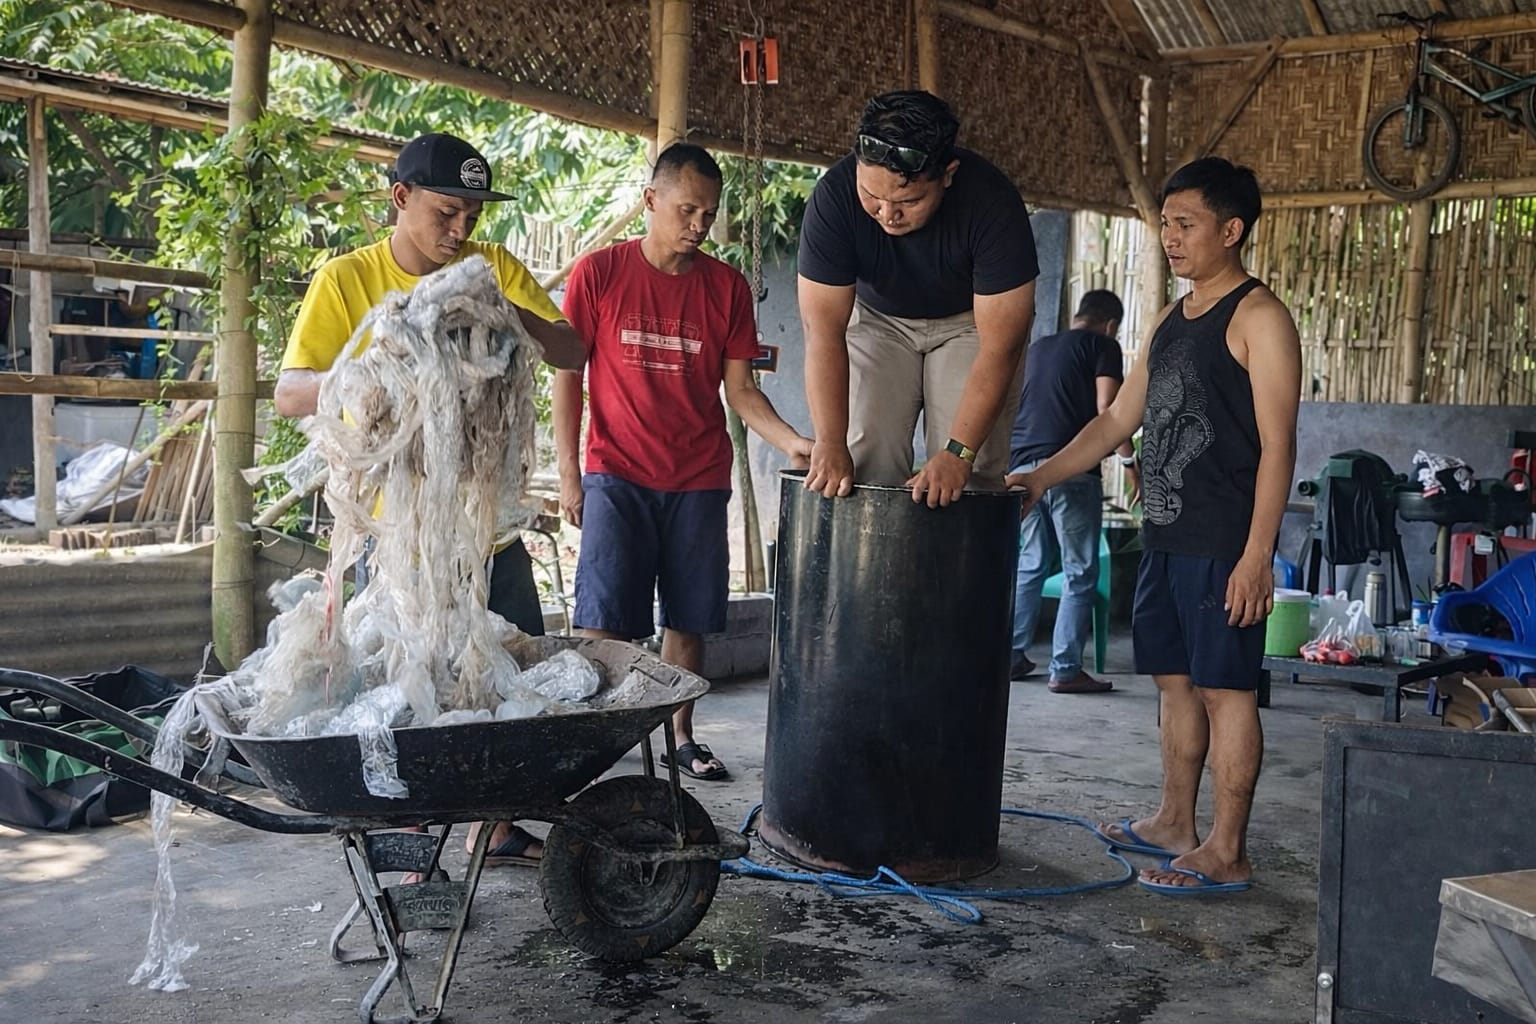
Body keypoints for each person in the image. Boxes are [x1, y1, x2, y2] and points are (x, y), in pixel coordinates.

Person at [275, 131, 586, 869]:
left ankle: (497, 826)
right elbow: (292, 392)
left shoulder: (491, 267)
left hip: (486, 530)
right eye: (447, 212)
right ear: (400, 198)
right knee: (400, 688)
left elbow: (573, 351)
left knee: (500, 677)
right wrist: (376, 362)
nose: (461, 231)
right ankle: (407, 840)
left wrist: (504, 311)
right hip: (394, 538)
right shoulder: (346, 280)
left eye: (473, 217)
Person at [1009, 157, 1301, 895]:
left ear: (1231, 231)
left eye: (1186, 223)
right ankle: (1176, 820)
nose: (1170, 237)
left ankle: (1227, 849)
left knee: (1224, 690)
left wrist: (1257, 555)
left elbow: (1279, 446)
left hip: (1222, 544)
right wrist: (1040, 477)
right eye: (1165, 223)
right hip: (1165, 538)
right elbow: (1115, 419)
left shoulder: (1260, 318)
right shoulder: (1173, 318)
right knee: (1174, 684)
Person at [554, 143, 812, 781]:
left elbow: (743, 392)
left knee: (690, 617)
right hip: (615, 471)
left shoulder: (725, 288)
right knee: (604, 621)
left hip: (698, 478)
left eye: (709, 213)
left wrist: (794, 444)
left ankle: (680, 737)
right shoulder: (599, 274)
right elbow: (567, 375)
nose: (699, 224)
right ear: (651, 201)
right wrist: (569, 474)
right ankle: (601, 739)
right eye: (688, 209)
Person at [797, 89, 1039, 507]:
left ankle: (958, 572)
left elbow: (1001, 346)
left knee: (967, 473)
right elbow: (823, 333)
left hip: (970, 325)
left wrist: (958, 452)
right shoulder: (834, 199)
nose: (887, 214)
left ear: (947, 174)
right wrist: (829, 441)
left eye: (908, 200)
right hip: (877, 319)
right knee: (860, 453)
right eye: (872, 196)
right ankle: (869, 574)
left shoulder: (994, 206)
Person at [1009, 290, 1137, 694]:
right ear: (1111, 323)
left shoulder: (1039, 347)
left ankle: (1009, 655)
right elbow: (1108, 410)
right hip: (1070, 468)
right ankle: (1065, 667)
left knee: (1030, 563)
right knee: (1081, 570)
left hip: (1022, 465)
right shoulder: (1104, 345)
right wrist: (1132, 464)